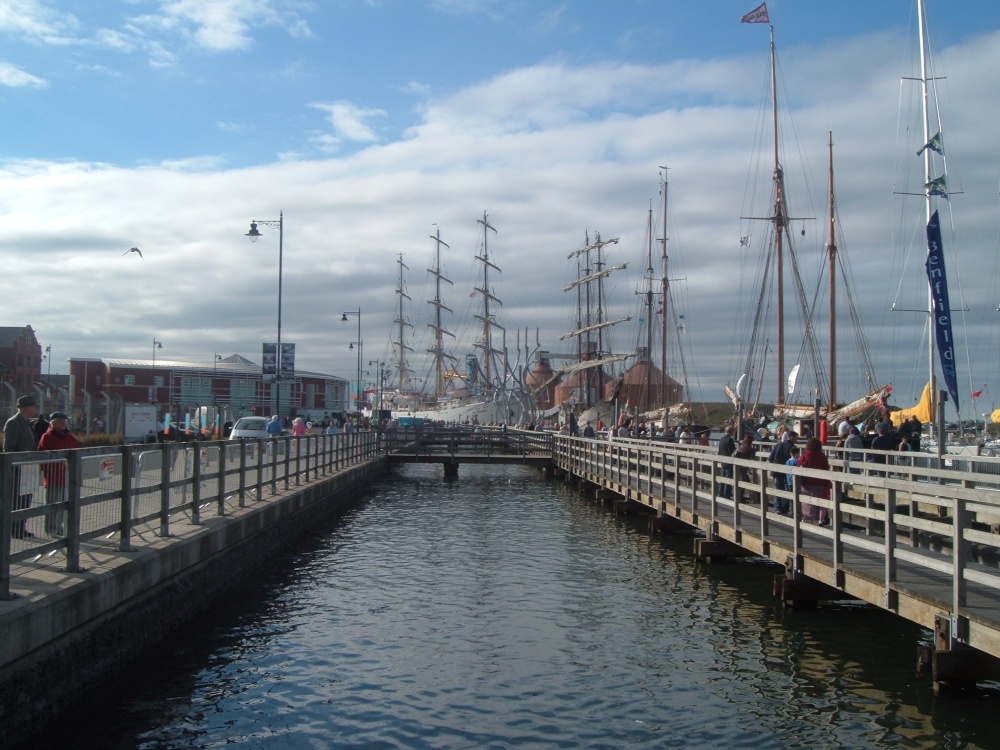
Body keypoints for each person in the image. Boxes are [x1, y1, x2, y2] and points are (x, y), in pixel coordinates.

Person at [37, 412, 79, 536]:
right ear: (53, 423)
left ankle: (59, 527)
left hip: (66, 477)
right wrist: (49, 472)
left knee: (64, 504)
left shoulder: (69, 437)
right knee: (52, 504)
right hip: (53, 478)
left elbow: (75, 452)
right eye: (60, 421)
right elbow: (43, 456)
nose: (63, 423)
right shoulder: (47, 437)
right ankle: (51, 529)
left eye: (64, 421)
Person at [4, 395, 40, 539]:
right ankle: (15, 528)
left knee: (26, 500)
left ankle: (20, 527)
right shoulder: (14, 423)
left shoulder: (26, 423)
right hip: (19, 469)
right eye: (33, 407)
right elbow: (9, 449)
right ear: (26, 408)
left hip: (28, 468)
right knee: (18, 501)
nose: (35, 409)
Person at [796, 437, 832, 524]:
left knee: (806, 502)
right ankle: (820, 519)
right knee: (819, 502)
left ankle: (805, 519)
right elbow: (826, 468)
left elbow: (798, 466)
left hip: (806, 483)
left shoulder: (804, 455)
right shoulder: (822, 456)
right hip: (820, 483)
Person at [767, 430, 797, 515]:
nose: (796, 439)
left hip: (776, 470)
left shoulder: (778, 445)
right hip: (787, 472)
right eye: (795, 437)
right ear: (791, 437)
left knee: (778, 489)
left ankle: (777, 508)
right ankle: (786, 508)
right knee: (787, 490)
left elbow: (770, 458)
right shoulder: (792, 447)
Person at [717, 425, 736, 498]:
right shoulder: (730, 440)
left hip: (722, 461)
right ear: (731, 432)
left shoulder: (721, 439)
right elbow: (733, 451)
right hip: (728, 462)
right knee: (728, 479)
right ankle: (726, 494)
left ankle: (720, 492)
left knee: (722, 478)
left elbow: (719, 451)